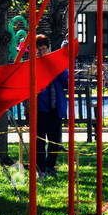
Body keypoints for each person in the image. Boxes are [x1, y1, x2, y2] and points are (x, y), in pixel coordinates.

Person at [36, 35, 67, 178]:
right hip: (40, 110)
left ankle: (49, 166)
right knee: (39, 143)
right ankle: (41, 169)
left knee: (55, 142)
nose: (42, 53)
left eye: (44, 49)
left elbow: (67, 81)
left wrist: (54, 66)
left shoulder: (56, 63)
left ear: (48, 49)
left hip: (55, 109)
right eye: (39, 50)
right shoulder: (33, 65)